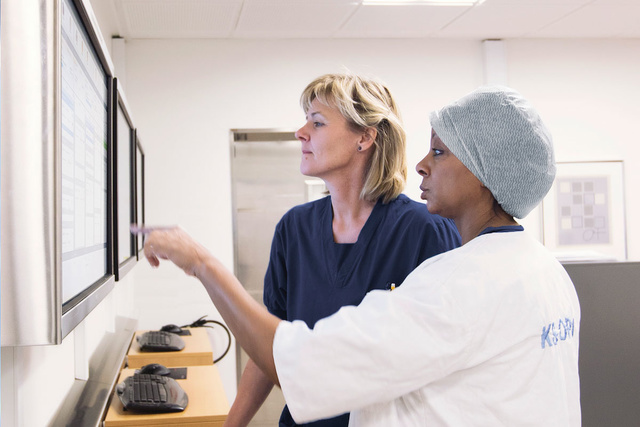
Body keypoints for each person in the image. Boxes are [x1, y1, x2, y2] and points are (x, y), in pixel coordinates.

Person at [141, 85, 581, 426]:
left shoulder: (457, 282)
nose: (422, 165)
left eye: (441, 152)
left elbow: (303, 363)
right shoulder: (544, 271)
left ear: (487, 175)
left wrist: (201, 261)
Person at [227, 73, 460, 427]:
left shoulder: (425, 231)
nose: (300, 132)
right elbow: (269, 348)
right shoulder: (294, 229)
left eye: (317, 122)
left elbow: (444, 364)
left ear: (365, 137)